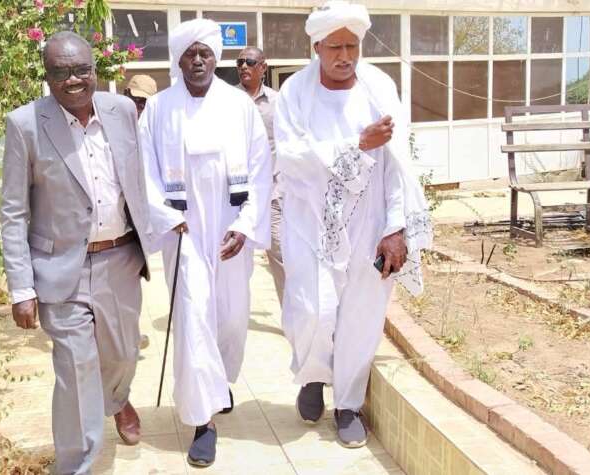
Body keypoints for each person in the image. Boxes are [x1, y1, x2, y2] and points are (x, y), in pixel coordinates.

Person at [274, 1, 432, 448]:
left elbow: (397, 162)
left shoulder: (378, 86)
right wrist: (357, 143)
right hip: (311, 222)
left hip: (370, 219)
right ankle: (312, 375)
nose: (345, 56)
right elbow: (290, 158)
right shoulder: (295, 92)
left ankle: (347, 404)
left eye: (352, 46)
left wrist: (395, 228)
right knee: (310, 309)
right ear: (316, 47)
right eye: (335, 47)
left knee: (362, 315)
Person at [0, 31, 152, 474]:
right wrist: (21, 287)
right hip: (59, 267)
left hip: (120, 259)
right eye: (61, 72)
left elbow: (137, 178)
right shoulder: (25, 124)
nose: (73, 80)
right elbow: (13, 211)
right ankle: (76, 464)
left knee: (123, 354)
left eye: (82, 69)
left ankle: (115, 399)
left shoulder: (122, 111)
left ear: (95, 69)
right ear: (47, 75)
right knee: (75, 369)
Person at [139, 19, 272, 468]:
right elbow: (145, 171)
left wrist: (247, 224)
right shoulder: (158, 109)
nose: (198, 60)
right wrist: (168, 217)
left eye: (206, 53)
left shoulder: (239, 105)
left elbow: (261, 169)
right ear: (178, 60)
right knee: (194, 320)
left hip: (230, 229)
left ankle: (220, 382)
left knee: (231, 319)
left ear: (216, 59)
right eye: (190, 53)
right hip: (185, 232)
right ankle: (203, 421)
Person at [235, 46, 284, 304]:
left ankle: (293, 320)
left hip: (271, 195)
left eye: (250, 62)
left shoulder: (279, 103)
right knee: (233, 262)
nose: (244, 66)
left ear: (263, 67)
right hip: (235, 198)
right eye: (240, 62)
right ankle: (233, 316)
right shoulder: (228, 101)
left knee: (282, 257)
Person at [122, 73, 158, 351]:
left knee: (133, 276)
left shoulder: (155, 128)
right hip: (116, 216)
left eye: (144, 102)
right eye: (134, 100)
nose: (138, 107)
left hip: (140, 217)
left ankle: (131, 332)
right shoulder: (113, 125)